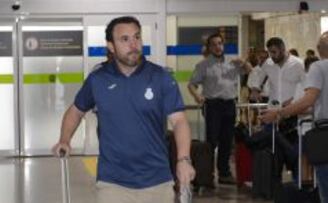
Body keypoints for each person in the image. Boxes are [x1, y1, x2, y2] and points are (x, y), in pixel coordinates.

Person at [52, 16, 195, 203]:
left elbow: (179, 121)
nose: (133, 44)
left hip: (157, 181)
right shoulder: (98, 80)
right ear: (111, 46)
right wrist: (64, 140)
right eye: (125, 39)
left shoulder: (161, 78)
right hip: (112, 183)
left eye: (137, 37)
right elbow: (76, 111)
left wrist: (183, 159)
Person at [260, 31, 328, 203]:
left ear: (320, 49)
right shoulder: (269, 66)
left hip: (323, 131)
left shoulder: (318, 67)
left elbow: (309, 100)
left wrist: (280, 113)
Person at [187, 33, 252, 186]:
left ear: (223, 45)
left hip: (230, 104)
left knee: (227, 141)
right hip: (212, 105)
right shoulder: (203, 65)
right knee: (212, 141)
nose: (217, 47)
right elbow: (191, 84)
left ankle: (224, 174)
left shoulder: (233, 62)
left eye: (219, 44)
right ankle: (207, 175)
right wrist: (197, 96)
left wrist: (243, 62)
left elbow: (249, 70)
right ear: (209, 48)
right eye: (214, 44)